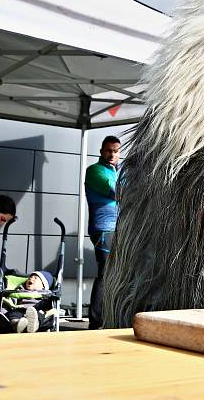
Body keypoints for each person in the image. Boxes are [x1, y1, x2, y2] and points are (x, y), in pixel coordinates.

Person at [85, 135, 121, 329]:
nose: (111, 154)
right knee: (105, 274)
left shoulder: (120, 171)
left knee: (118, 274)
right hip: (103, 229)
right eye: (108, 150)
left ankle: (111, 317)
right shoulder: (94, 171)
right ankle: (96, 321)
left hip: (119, 229)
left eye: (115, 151)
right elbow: (115, 191)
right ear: (101, 151)